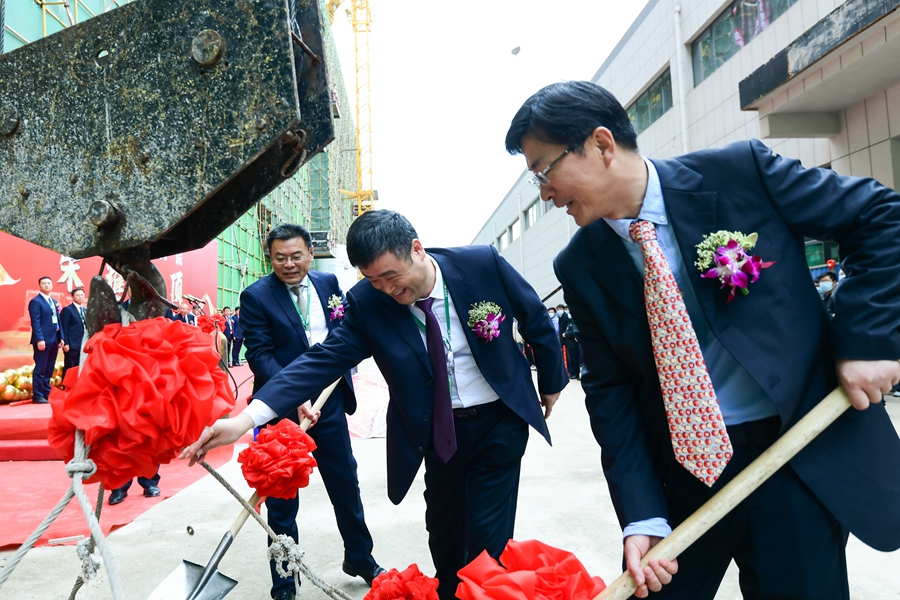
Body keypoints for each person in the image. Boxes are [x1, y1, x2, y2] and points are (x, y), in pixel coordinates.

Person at [505, 80, 900, 599]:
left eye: (544, 170)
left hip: (793, 452)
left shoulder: (740, 173)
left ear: (601, 145)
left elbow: (881, 217)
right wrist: (640, 514)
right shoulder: (579, 265)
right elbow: (611, 392)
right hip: (683, 474)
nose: (545, 193)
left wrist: (867, 340)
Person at [184, 210, 568, 600]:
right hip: (438, 432)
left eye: (391, 276)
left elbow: (534, 316)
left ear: (416, 249)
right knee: (445, 534)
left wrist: (552, 382)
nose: (387, 289)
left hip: (498, 421)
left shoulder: (480, 264)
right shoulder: (369, 302)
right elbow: (320, 361)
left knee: (487, 539)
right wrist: (244, 420)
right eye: (373, 280)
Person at [239, 223, 383, 600]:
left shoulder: (328, 283)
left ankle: (360, 558)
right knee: (282, 499)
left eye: (296, 256)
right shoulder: (256, 296)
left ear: (310, 253)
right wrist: (293, 394)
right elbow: (260, 355)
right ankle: (285, 580)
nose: (289, 264)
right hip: (282, 411)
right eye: (280, 258)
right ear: (270, 258)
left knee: (345, 485)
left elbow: (344, 333)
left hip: (329, 403)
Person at [28, 276, 64, 404]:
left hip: (54, 339)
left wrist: (61, 337)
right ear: (39, 286)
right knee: (41, 368)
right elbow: (35, 322)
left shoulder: (53, 301)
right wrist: (40, 339)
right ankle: (37, 395)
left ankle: (46, 393)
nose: (47, 285)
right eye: (44, 283)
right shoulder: (36, 302)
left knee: (49, 368)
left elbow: (58, 321)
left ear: (52, 285)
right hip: (43, 340)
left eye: (49, 283)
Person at [59, 287, 87, 383]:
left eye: (82, 295)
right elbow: (64, 327)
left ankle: (76, 386)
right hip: (71, 345)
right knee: (70, 366)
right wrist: (66, 342)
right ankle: (66, 386)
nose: (80, 297)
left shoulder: (85, 310)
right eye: (78, 295)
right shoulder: (68, 310)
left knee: (79, 367)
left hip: (82, 345)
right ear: (72, 297)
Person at [557, 304, 580, 379]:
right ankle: (573, 372)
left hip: (573, 343)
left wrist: (566, 334)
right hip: (569, 343)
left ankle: (576, 373)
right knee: (571, 359)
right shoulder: (569, 321)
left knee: (574, 359)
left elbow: (573, 331)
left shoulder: (573, 321)